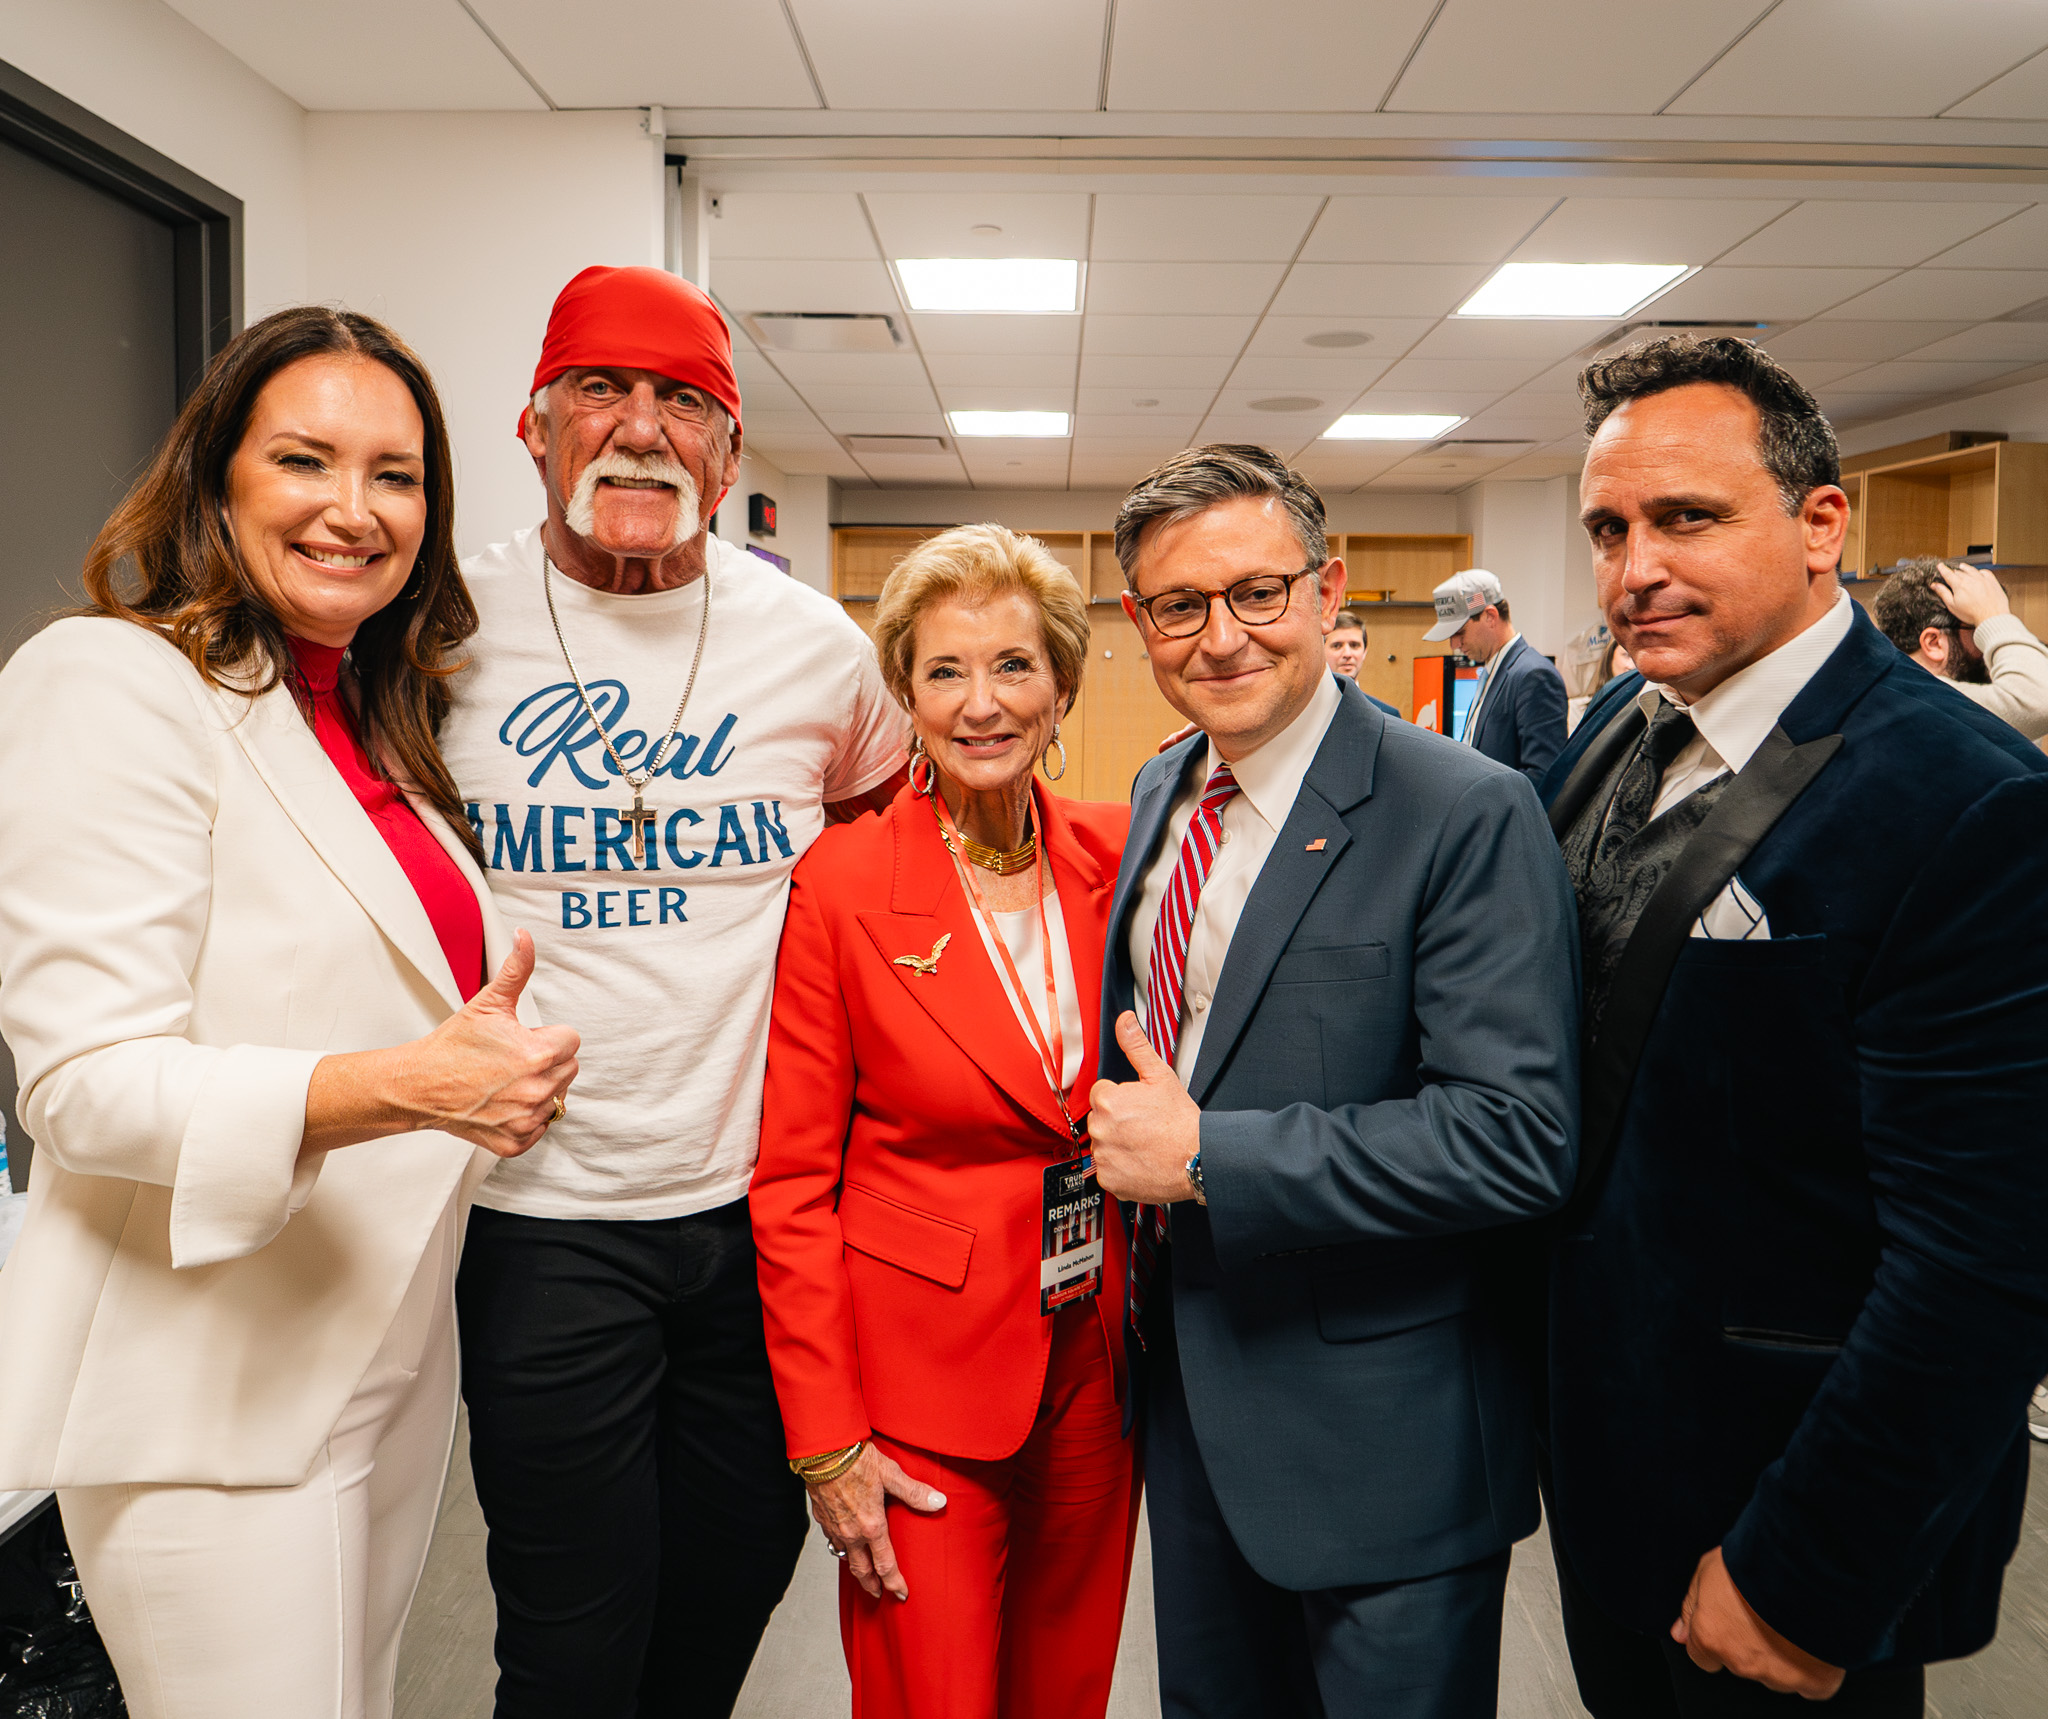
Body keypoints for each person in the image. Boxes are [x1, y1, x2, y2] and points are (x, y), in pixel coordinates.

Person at [0, 307, 579, 1719]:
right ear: (216, 477)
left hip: (376, 1359)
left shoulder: (372, 717)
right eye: (304, 460)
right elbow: (83, 1083)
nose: (353, 509)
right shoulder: (111, 681)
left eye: (396, 475)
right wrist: (409, 1085)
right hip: (208, 1390)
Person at [1542, 335, 2048, 1717]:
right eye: (1609, 529)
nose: (1634, 567)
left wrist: (1805, 1569)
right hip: (1610, 1464)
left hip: (1779, 1510)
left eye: (1685, 517)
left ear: (1822, 523)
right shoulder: (1624, 728)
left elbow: (1988, 1256)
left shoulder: (1964, 798)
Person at [439, 265, 909, 1719]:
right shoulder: (435, 629)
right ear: (535, 427)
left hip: (762, 1219)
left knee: (719, 1613)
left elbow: (887, 853)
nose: (642, 428)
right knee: (572, 1645)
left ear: (728, 449)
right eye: (602, 391)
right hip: (540, 1219)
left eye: (683, 402)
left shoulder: (817, 648)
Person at [1087, 444, 1581, 1719]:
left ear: (1326, 590)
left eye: (1256, 592)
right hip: (1191, 1406)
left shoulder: (1461, 809)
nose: (1221, 637)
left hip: (1383, 1444)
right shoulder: (1160, 786)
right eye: (1179, 606)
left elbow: (1513, 1137)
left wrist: (1209, 1159)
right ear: (1138, 622)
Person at [751, 524, 1137, 1718]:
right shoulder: (843, 884)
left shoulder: (1117, 855)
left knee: (1065, 1690)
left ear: (1060, 683)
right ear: (904, 693)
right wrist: (825, 1438)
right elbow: (791, 1184)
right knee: (934, 1696)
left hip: (1094, 1365)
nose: (980, 704)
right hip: (919, 1387)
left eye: (1013, 665)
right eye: (944, 671)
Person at [1867, 556, 2048, 740]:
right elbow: (2040, 702)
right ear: (1934, 643)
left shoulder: (1887, 690)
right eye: (1978, 627)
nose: (1989, 642)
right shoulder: (1925, 699)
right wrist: (1993, 614)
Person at [1425, 567, 1568, 783]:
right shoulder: (1492, 672)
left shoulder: (1534, 676)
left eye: (1460, 632)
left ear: (1490, 616)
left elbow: (1543, 777)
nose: (1454, 644)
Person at [1323, 606, 1400, 717]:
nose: (1347, 654)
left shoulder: (1387, 715)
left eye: (1354, 645)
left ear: (1364, 652)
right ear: (1321, 652)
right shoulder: (1306, 712)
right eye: (1337, 646)